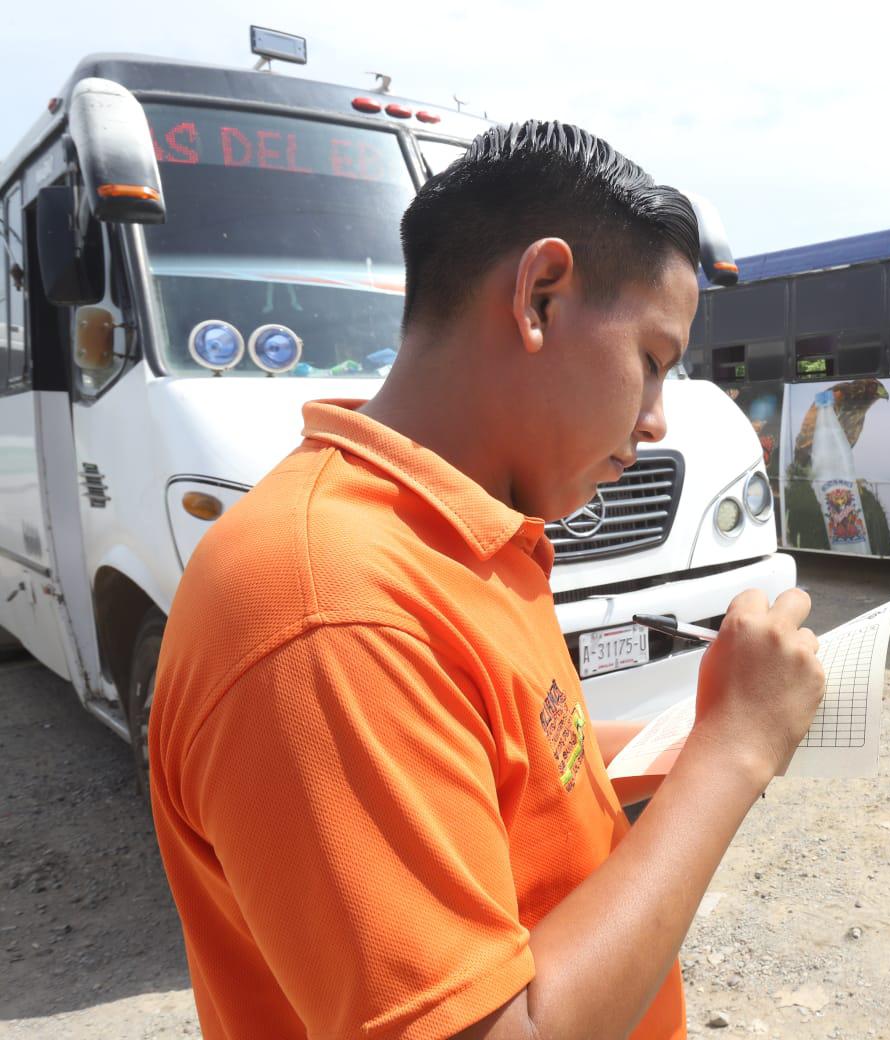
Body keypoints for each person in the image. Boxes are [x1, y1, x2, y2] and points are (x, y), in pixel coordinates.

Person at [148, 120, 826, 1040]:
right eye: (653, 364)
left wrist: (699, 728)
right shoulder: (331, 612)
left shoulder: (465, 535)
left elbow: (520, 771)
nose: (659, 420)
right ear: (540, 296)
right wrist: (731, 752)